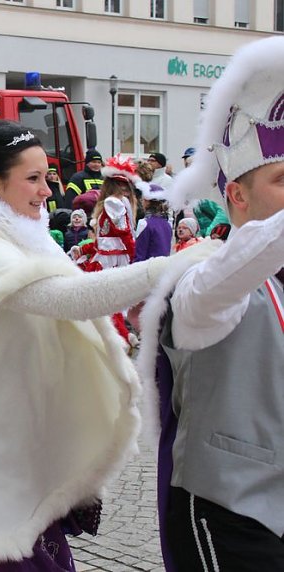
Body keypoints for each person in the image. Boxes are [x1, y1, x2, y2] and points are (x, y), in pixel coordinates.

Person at [0, 121, 219, 572]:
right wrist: (167, 267)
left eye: (47, 176)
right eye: (32, 178)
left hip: (11, 453)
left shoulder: (27, 236)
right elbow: (67, 299)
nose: (48, 190)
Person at [135, 36, 284, 571]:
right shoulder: (204, 273)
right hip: (228, 512)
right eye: (282, 178)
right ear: (237, 197)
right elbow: (231, 276)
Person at [134, 184, 172, 263]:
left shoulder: (144, 223)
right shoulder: (167, 224)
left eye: (143, 199)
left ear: (147, 202)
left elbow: (139, 254)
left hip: (147, 269)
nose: (142, 202)